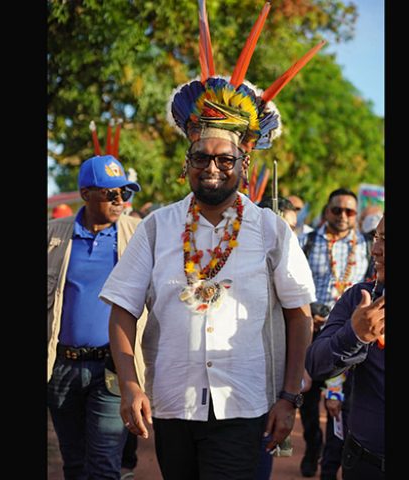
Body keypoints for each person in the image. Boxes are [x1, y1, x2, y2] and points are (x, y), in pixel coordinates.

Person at [99, 2, 326, 478]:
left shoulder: (271, 229)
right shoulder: (158, 226)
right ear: (187, 163)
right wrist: (130, 383)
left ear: (245, 167)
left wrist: (288, 397)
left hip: (248, 406)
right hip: (172, 405)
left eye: (226, 160)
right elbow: (122, 307)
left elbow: (298, 314)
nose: (213, 168)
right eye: (201, 157)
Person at [47, 149, 144, 480]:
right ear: (86, 194)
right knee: (74, 464)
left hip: (112, 369)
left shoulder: (138, 234)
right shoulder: (54, 236)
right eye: (111, 193)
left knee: (104, 465)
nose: (120, 200)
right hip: (62, 368)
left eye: (124, 192)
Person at [306, 215, 386, 479]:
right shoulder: (359, 298)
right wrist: (354, 335)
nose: (375, 249)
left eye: (386, 241)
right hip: (365, 463)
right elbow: (316, 364)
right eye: (376, 237)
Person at [298, 188, 370, 478]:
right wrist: (310, 309)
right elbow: (296, 284)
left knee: (342, 400)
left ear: (355, 216)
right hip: (314, 330)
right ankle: (312, 446)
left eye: (349, 212)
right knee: (308, 395)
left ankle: (332, 456)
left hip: (351, 335)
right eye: (337, 210)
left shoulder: (367, 245)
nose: (342, 216)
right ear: (326, 211)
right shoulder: (308, 241)